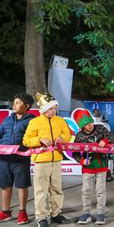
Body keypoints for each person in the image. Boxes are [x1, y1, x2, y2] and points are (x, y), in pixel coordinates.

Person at [23, 92, 72, 227]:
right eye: (51, 108)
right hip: (41, 161)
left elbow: (67, 134)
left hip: (56, 159)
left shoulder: (60, 120)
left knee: (57, 188)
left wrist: (63, 138)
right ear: (44, 109)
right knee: (41, 190)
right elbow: (26, 141)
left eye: (55, 108)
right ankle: (41, 217)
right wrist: (40, 139)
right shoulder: (34, 122)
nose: (53, 111)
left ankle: (56, 213)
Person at [73, 109, 114, 225]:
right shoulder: (79, 136)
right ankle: (86, 213)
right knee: (86, 191)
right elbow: (75, 153)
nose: (90, 125)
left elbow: (113, 137)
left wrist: (105, 140)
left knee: (100, 191)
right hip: (87, 168)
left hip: (101, 166)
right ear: (82, 126)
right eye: (87, 124)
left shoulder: (101, 128)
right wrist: (82, 161)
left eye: (91, 122)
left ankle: (101, 214)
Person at [0, 94, 35, 224]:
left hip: (21, 158)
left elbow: (32, 138)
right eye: (13, 102)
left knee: (22, 185)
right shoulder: (8, 120)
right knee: (5, 185)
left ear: (26, 106)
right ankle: (5, 212)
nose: (14, 105)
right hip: (3, 158)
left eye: (17, 103)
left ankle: (22, 212)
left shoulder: (32, 121)